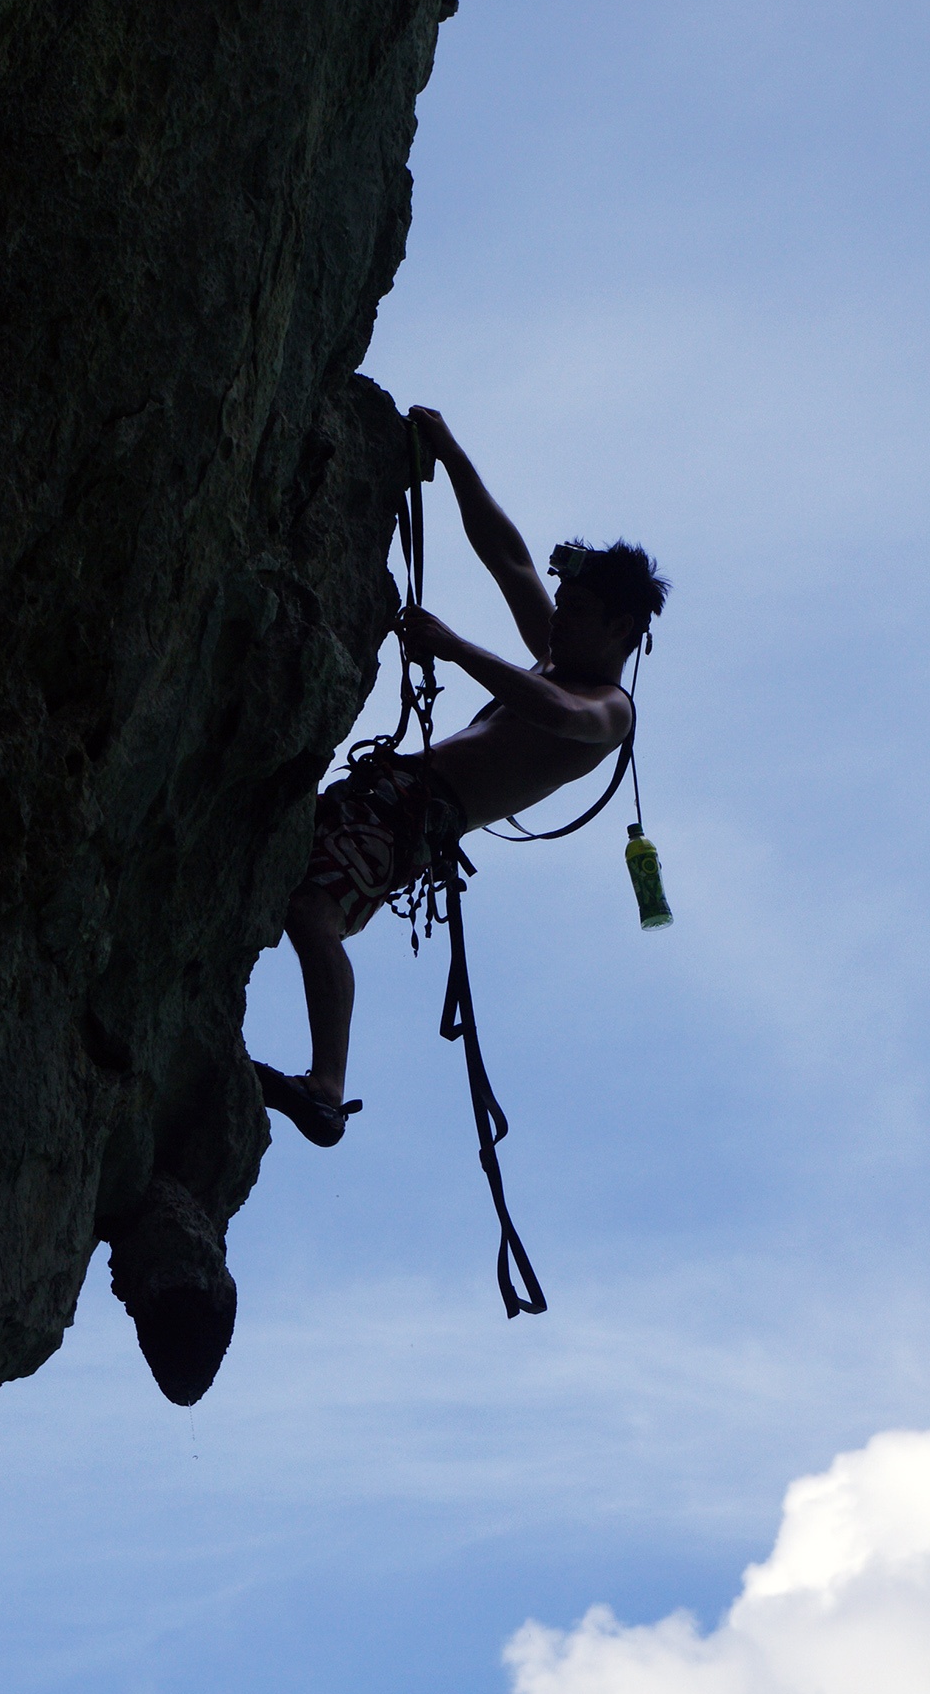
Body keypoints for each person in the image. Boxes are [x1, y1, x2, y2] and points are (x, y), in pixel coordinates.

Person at [254, 404, 668, 1146]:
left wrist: (455, 646)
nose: (556, 622)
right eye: (562, 606)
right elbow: (507, 557)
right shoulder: (556, 658)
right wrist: (448, 453)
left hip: (418, 817)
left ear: (620, 630)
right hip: (390, 794)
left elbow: (553, 714)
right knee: (270, 858)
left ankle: (326, 1086)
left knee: (313, 911)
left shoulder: (608, 708)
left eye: (574, 613)